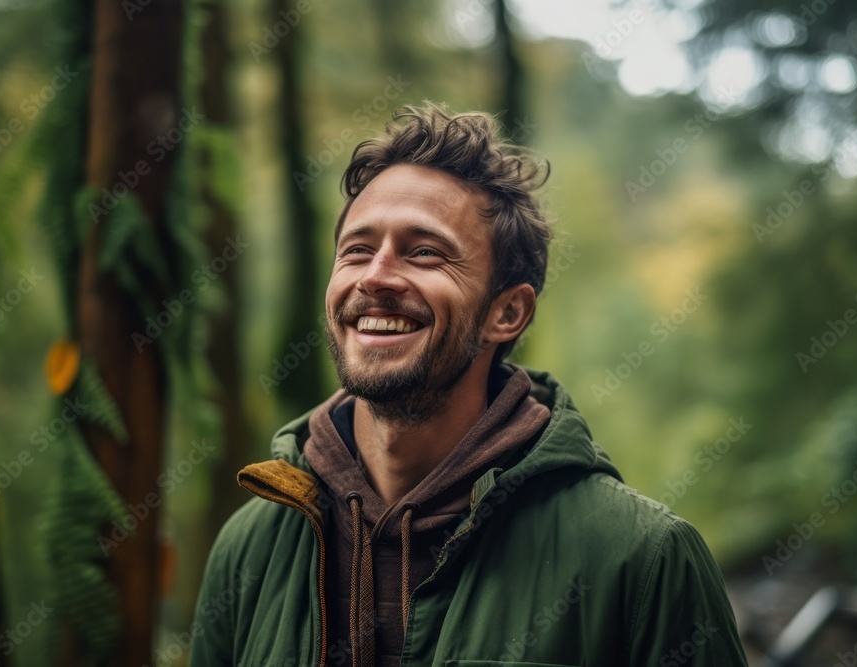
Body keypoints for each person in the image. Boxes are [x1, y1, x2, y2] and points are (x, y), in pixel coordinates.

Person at [190, 103, 749, 667]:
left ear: (506, 313)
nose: (376, 276)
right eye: (356, 250)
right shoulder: (249, 549)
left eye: (424, 252)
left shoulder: (644, 559)